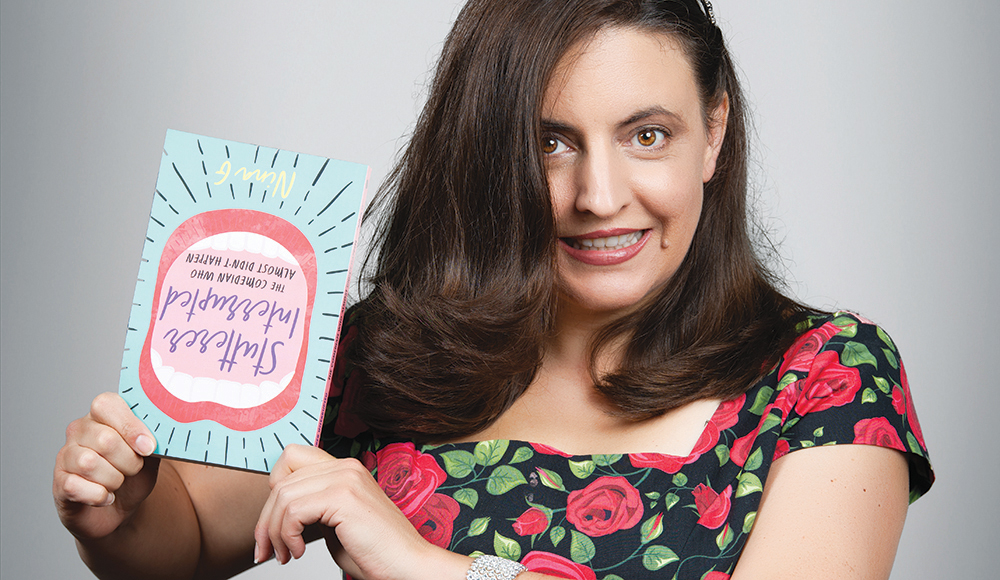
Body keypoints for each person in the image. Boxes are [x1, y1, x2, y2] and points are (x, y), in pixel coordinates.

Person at [53, 1, 933, 579]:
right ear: (488, 154)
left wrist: (425, 566)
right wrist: (120, 508)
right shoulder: (385, 357)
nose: (598, 195)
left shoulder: (828, 376)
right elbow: (189, 542)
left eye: (647, 135)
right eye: (550, 143)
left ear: (713, 132)